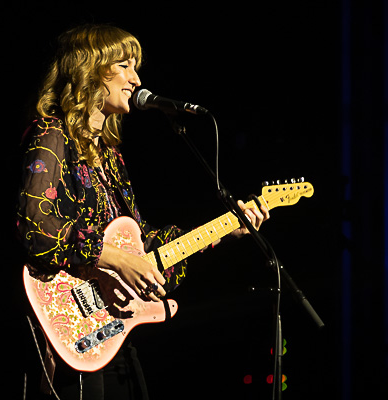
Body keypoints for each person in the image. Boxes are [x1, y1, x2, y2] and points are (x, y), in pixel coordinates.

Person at [16, 23, 269, 399]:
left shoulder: (109, 155)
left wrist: (224, 230)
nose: (136, 79)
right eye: (124, 66)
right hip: (65, 326)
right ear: (89, 70)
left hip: (111, 327)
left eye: (136, 67)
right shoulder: (52, 135)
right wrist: (117, 259)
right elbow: (36, 227)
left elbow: (142, 244)